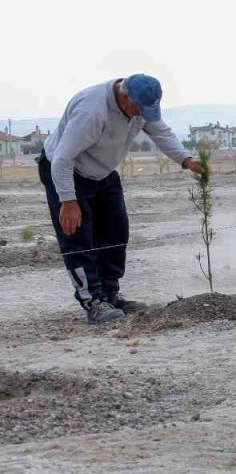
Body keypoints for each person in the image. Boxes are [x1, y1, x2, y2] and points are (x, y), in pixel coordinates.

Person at [39, 75, 205, 324]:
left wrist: (187, 160)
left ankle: (110, 294)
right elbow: (62, 158)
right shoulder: (92, 111)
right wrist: (68, 201)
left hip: (103, 173)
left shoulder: (139, 106)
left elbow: (162, 133)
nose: (142, 114)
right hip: (66, 171)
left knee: (116, 232)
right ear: (125, 97)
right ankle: (93, 302)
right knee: (78, 239)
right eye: (139, 108)